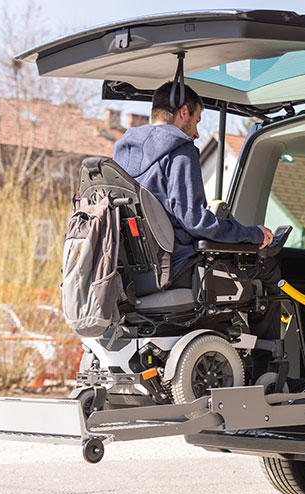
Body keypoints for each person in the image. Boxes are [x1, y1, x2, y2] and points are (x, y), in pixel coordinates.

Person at [112, 81, 281, 344]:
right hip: (176, 269)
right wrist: (253, 235)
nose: (197, 133)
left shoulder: (122, 154)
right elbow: (197, 222)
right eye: (197, 121)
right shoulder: (179, 149)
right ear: (183, 112)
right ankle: (269, 367)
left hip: (134, 274)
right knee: (266, 269)